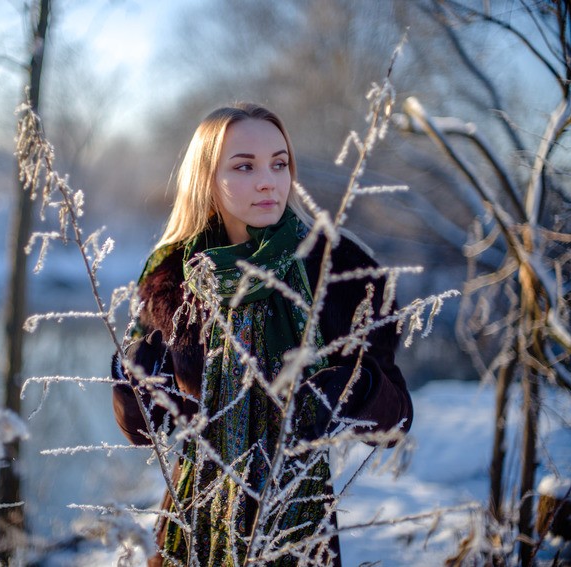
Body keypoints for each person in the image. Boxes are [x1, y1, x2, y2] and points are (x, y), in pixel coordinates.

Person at [111, 103, 413, 566]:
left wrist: (356, 390)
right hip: (196, 522)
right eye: (244, 166)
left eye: (279, 163)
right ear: (207, 177)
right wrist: (135, 378)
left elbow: (396, 423)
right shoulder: (170, 277)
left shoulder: (339, 271)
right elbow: (142, 430)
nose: (269, 180)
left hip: (298, 527)